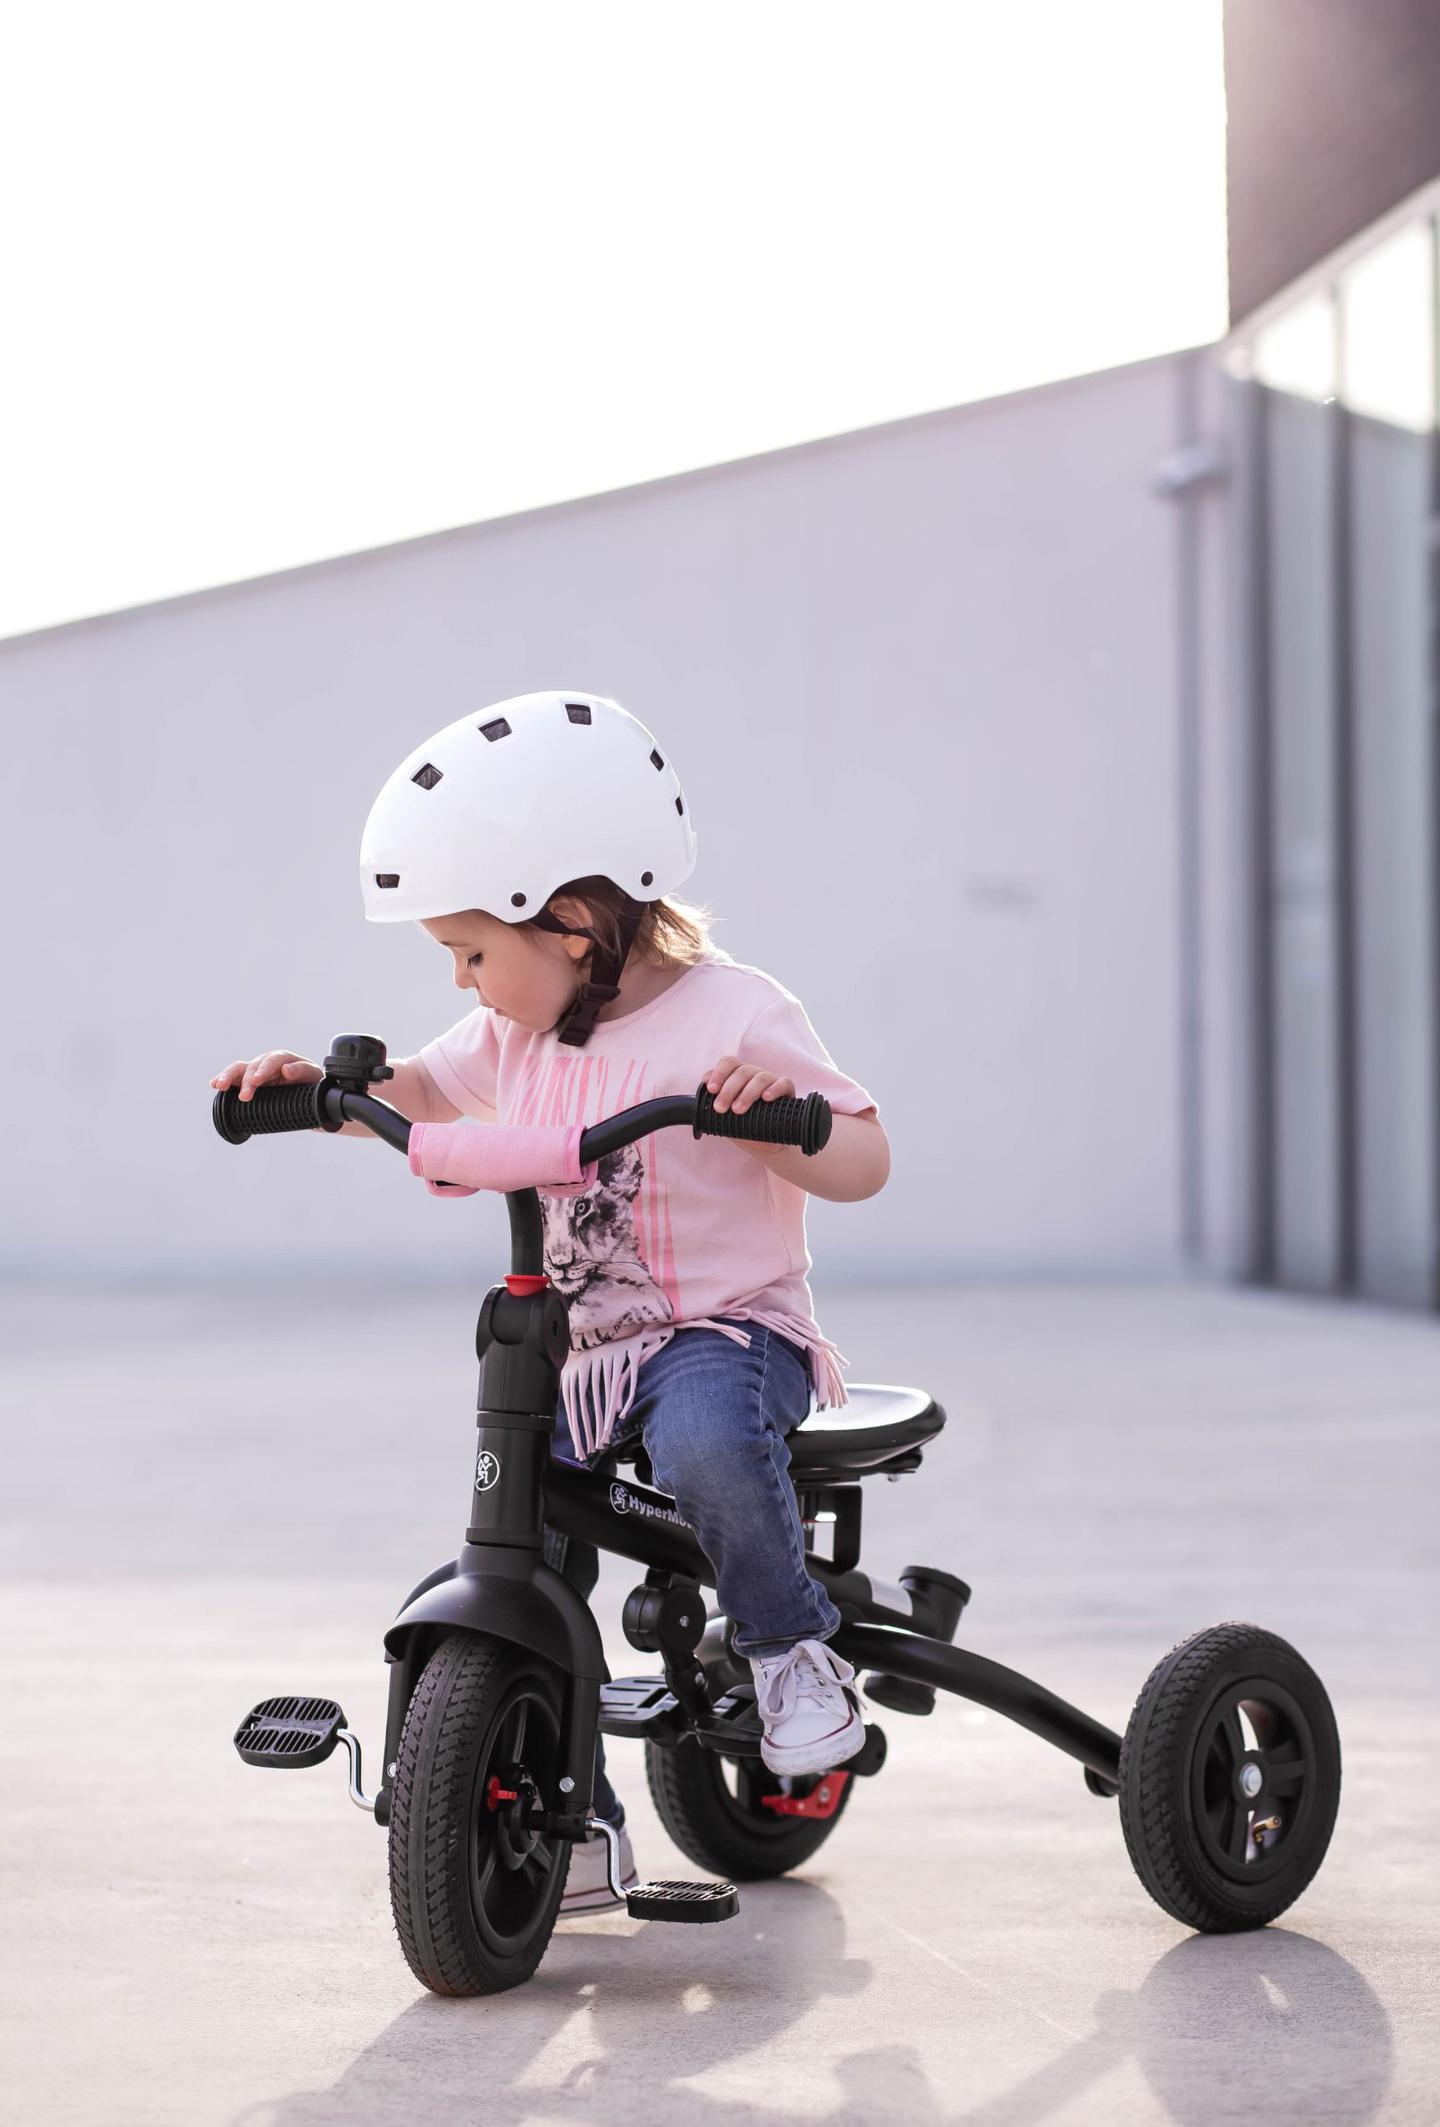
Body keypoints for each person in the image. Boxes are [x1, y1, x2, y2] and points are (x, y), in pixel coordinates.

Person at [212, 690, 889, 1913]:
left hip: (726, 1333)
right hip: (588, 1349)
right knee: (527, 1519)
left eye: (471, 952)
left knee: (701, 1441)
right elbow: (417, 1088)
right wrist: (316, 1085)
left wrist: (771, 1123)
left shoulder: (734, 1014)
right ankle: (575, 1823)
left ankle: (793, 1652)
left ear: (572, 924)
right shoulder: (513, 1034)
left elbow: (861, 1158)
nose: (464, 981)